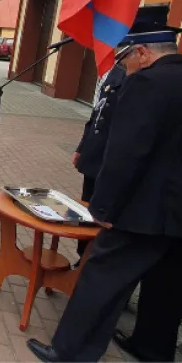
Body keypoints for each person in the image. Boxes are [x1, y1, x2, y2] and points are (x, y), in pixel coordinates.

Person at [27, 4, 182, 363]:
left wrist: (104, 207)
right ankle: (152, 348)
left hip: (142, 212)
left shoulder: (146, 83)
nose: (123, 64)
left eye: (125, 56)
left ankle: (69, 351)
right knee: (167, 284)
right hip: (177, 213)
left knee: (102, 279)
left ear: (142, 52)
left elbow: (126, 154)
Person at [72, 62, 126, 259]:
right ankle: (82, 257)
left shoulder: (138, 80)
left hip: (114, 160)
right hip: (95, 155)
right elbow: (96, 114)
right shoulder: (114, 72)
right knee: (87, 209)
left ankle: (96, 259)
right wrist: (82, 147)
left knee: (106, 214)